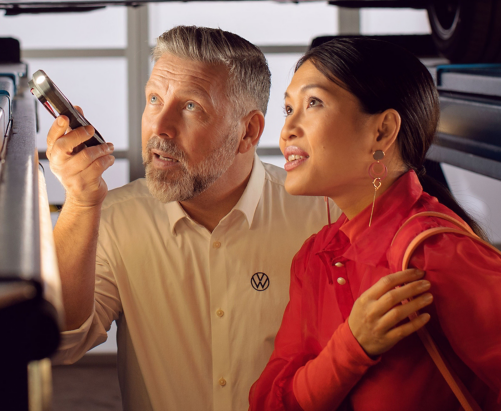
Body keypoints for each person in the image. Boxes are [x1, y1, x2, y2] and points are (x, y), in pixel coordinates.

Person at [249, 36, 501, 411]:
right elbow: (270, 404)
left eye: (313, 103)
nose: (287, 130)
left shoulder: (435, 253)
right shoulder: (315, 256)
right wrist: (353, 346)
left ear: (382, 131)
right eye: (288, 109)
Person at [49, 26, 339, 411]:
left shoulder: (324, 213)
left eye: (191, 107)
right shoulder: (113, 218)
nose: (160, 127)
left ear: (248, 132)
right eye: (154, 99)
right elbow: (63, 343)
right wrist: (81, 205)